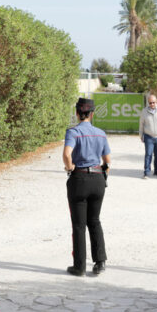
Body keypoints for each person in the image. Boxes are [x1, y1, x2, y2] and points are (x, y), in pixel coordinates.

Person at [63, 98, 111, 276]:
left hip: (80, 178)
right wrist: (103, 173)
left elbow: (67, 154)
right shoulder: (101, 133)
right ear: (92, 114)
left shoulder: (73, 132)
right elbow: (107, 161)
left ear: (77, 113)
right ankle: (100, 262)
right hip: (98, 179)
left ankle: (79, 266)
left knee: (78, 225)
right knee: (95, 220)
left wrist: (70, 168)